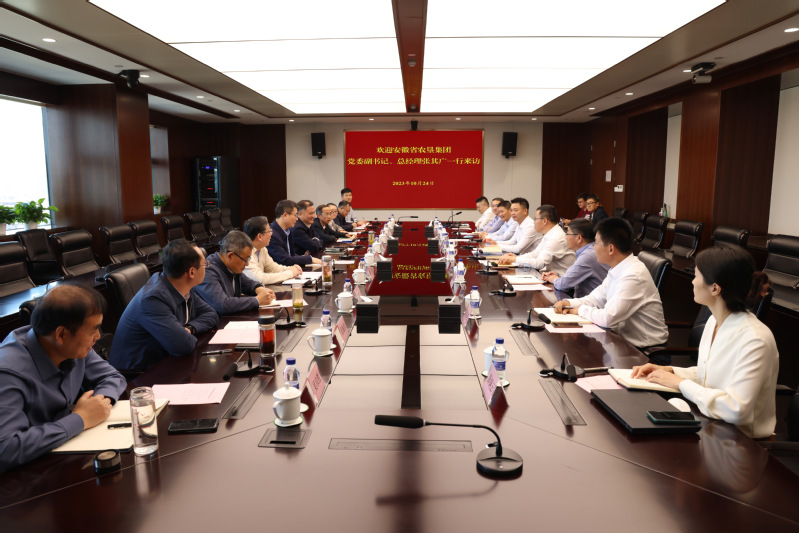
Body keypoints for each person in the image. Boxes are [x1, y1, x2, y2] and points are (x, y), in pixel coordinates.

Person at [631, 245, 778, 439]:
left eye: (696, 276)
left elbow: (736, 409)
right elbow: (711, 374)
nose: (692, 281)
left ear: (715, 288)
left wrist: (681, 383)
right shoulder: (713, 321)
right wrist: (671, 371)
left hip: (743, 442)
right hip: (713, 426)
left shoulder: (755, 339)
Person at [0, 285, 127, 473]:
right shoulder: (8, 371)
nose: (98, 336)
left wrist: (96, 406)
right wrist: (81, 419)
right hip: (27, 476)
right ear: (61, 334)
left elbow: (112, 376)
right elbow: (6, 449)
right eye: (93, 330)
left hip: (65, 454)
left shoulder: (73, 347)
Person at [554, 217, 667, 350]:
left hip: (645, 352)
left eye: (596, 243)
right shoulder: (617, 268)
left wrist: (579, 310)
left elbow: (608, 318)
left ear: (611, 249)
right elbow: (596, 298)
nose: (593, 248)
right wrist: (569, 303)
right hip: (621, 343)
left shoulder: (633, 275)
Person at [110, 240, 219, 372]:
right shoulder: (153, 299)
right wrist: (183, 335)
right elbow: (183, 346)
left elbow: (211, 314)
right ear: (191, 272)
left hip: (166, 361)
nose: (206, 267)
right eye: (204, 264)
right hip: (139, 375)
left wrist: (189, 328)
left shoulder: (183, 287)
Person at [195, 231, 276, 315]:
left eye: (248, 259)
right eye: (245, 259)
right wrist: (257, 300)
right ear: (230, 256)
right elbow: (222, 305)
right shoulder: (208, 271)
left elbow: (248, 284)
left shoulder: (232, 267)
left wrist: (260, 289)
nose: (247, 264)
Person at [499, 205, 575, 275]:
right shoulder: (550, 233)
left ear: (544, 221)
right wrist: (516, 258)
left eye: (535, 219)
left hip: (560, 280)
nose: (534, 222)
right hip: (550, 275)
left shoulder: (556, 237)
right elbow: (535, 254)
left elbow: (539, 263)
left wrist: (515, 259)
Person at [541, 218, 609, 297]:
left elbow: (563, 284)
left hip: (591, 302)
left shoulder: (587, 256)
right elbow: (573, 278)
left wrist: (553, 279)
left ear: (579, 238)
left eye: (567, 233)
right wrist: (558, 276)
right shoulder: (589, 250)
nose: (565, 237)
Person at [243, 215, 303, 285]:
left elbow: (273, 268)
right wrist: (290, 273)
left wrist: (290, 268)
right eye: (269, 231)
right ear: (259, 236)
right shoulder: (245, 253)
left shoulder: (262, 249)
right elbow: (260, 279)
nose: (271, 234)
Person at [268, 200, 321, 266]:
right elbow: (284, 259)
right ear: (285, 215)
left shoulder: (288, 231)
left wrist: (303, 258)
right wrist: (310, 259)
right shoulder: (272, 234)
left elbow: (291, 254)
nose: (297, 219)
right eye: (295, 215)